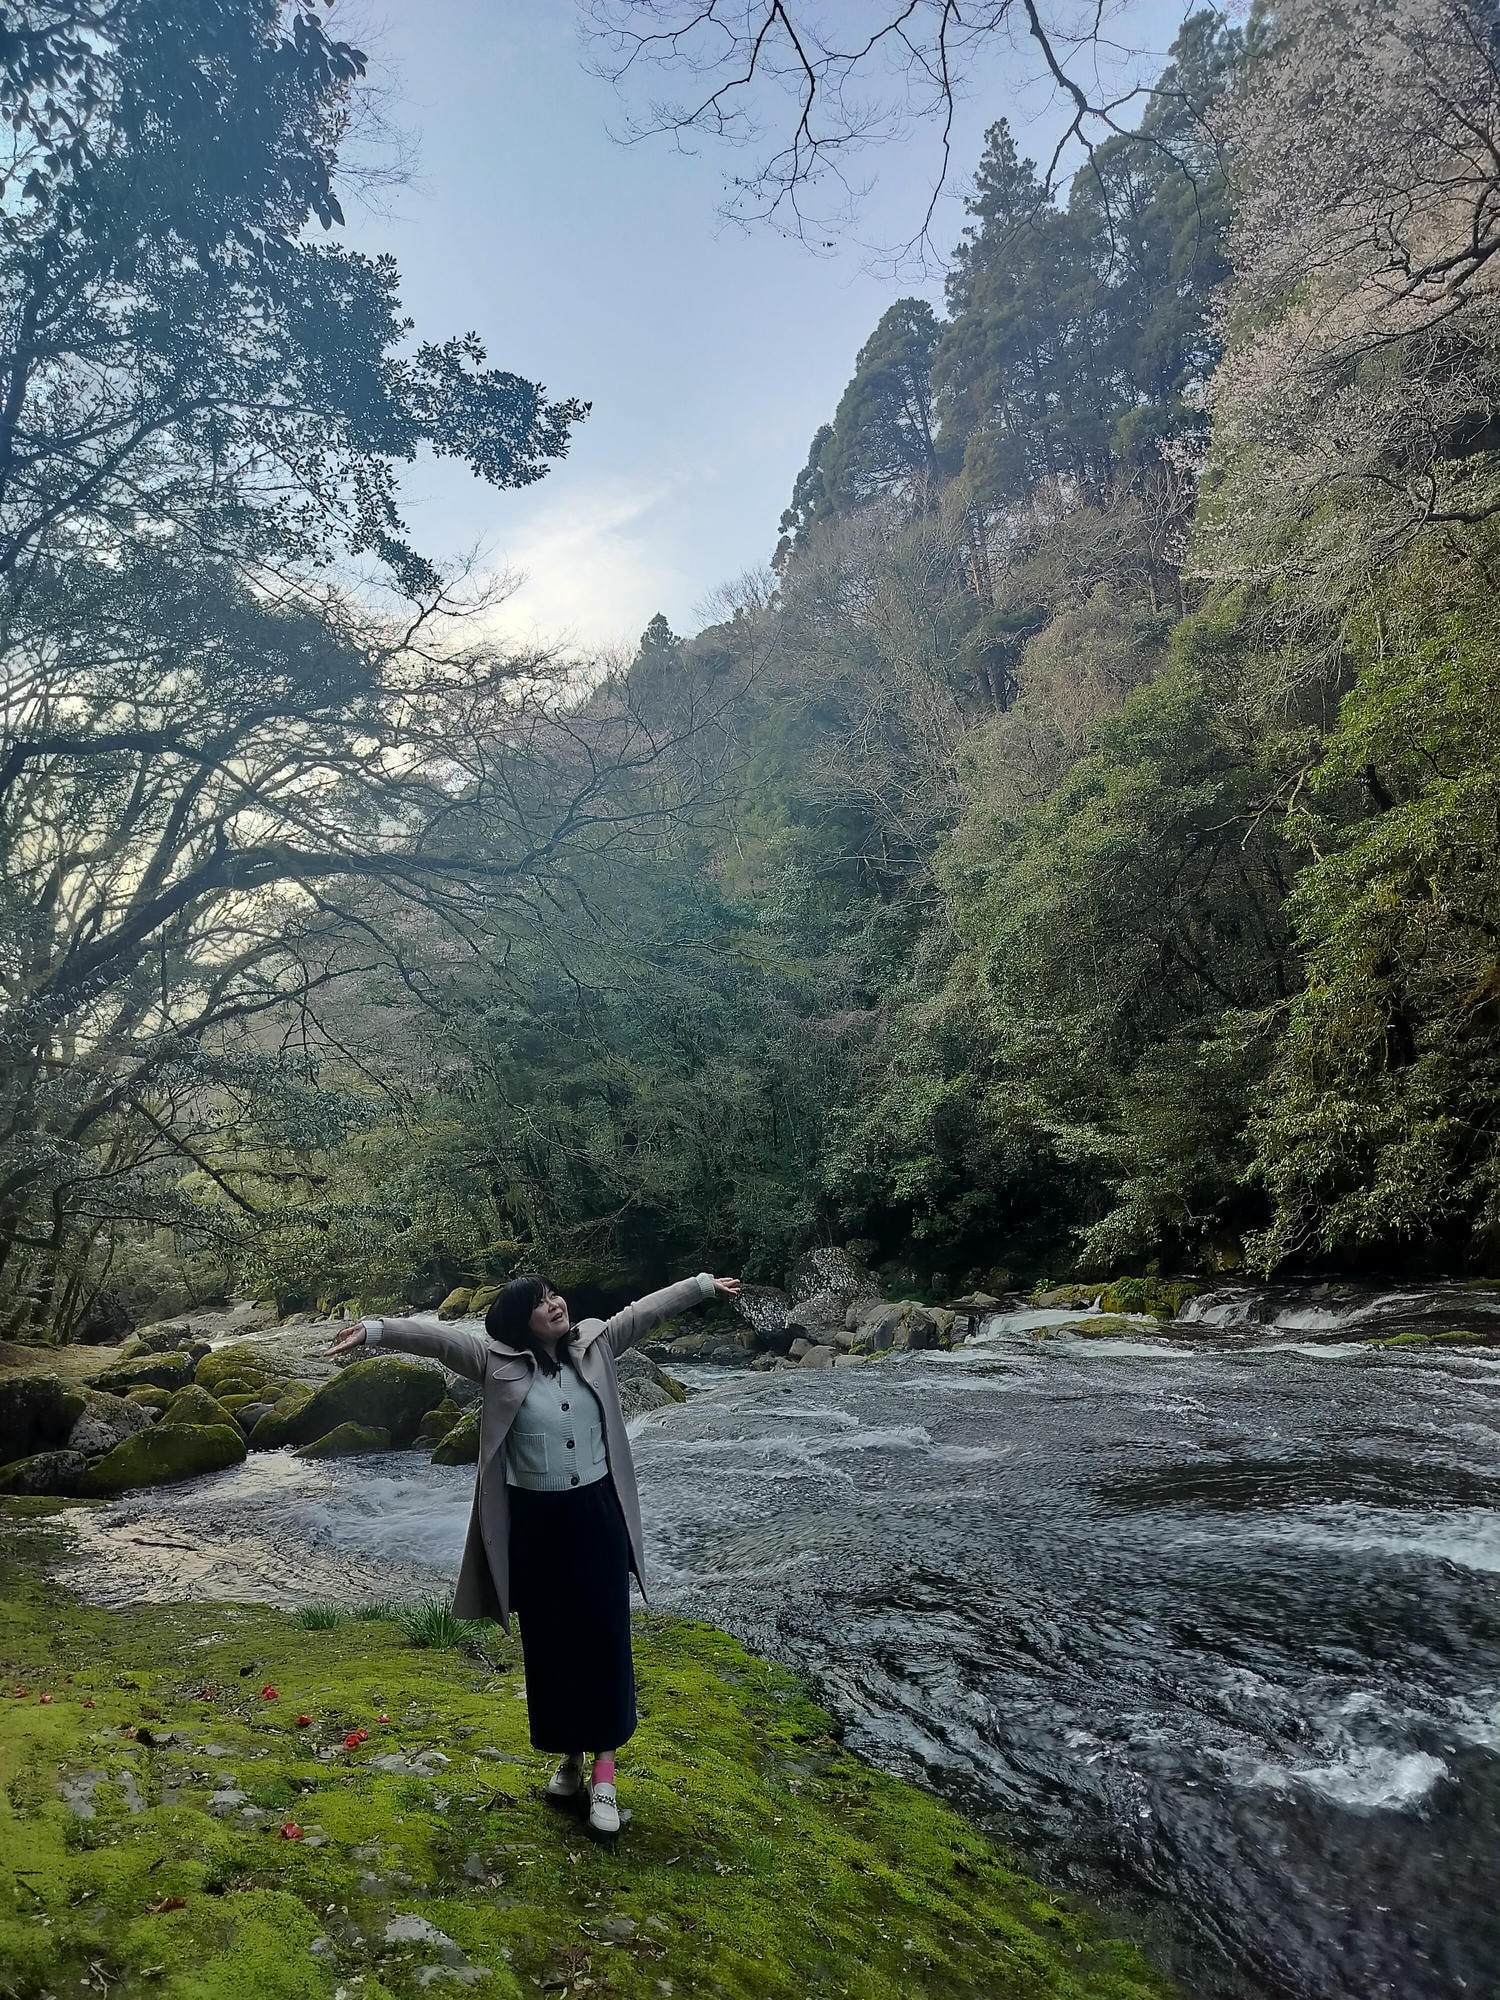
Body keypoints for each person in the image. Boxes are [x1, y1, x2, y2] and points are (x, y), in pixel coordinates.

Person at [325, 1269, 740, 1839]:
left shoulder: (597, 1344)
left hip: (597, 1515)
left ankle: (604, 1774)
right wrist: (373, 1330)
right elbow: (438, 1340)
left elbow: (644, 1311)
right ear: (519, 1320)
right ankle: (568, 1759)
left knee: (603, 1639)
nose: (554, 1304)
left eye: (554, 1294)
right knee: (549, 1645)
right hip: (536, 1524)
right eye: (539, 1301)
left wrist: (700, 1287)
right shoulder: (494, 1364)